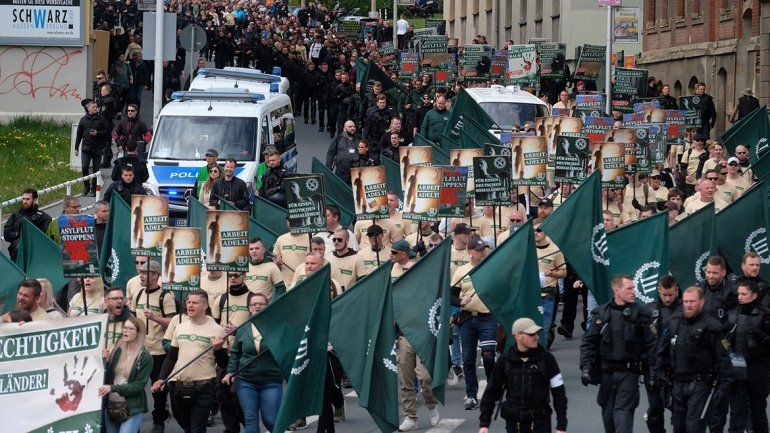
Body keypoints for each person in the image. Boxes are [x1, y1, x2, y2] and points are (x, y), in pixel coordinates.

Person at [579, 275, 657, 433]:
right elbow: (589, 343)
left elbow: (652, 346)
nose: (633, 291)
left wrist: (653, 372)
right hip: (606, 374)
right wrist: (586, 367)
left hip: (629, 373)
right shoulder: (601, 315)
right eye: (629, 288)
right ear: (617, 290)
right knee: (608, 417)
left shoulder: (642, 315)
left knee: (623, 414)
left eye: (633, 287)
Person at [653, 286, 734, 433]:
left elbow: (724, 360)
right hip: (677, 384)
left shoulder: (712, 327)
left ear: (701, 302)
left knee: (694, 427)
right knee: (678, 428)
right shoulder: (674, 323)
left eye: (692, 301)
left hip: (701, 385)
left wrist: (723, 389)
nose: (688, 305)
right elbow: (661, 352)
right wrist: (659, 373)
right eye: (685, 301)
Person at [152, 290, 226, 433]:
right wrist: (161, 379)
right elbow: (171, 358)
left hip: (204, 386)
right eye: (188, 302)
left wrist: (218, 349)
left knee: (197, 428)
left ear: (205, 306)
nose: (189, 306)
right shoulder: (179, 327)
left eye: (194, 303)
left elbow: (224, 364)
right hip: (179, 385)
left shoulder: (217, 330)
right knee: (187, 426)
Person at [478, 318, 568, 433]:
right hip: (514, 423)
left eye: (537, 333)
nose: (536, 337)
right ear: (517, 336)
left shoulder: (547, 359)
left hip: (540, 422)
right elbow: (491, 392)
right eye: (531, 334)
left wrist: (561, 425)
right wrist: (484, 424)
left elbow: (559, 392)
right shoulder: (505, 361)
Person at [394, 241, 440, 431]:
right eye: (405, 271)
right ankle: (410, 416)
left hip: (423, 336)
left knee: (425, 377)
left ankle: (432, 406)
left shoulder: (425, 288)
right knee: (405, 379)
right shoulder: (395, 287)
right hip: (404, 336)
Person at [222, 292, 284, 433]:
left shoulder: (277, 327)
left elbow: (285, 351)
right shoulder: (243, 328)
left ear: (267, 306)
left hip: (271, 381)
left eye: (261, 304)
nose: (257, 307)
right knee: (250, 419)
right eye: (254, 304)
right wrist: (230, 372)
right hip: (246, 382)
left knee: (270, 420)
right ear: (249, 308)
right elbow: (236, 354)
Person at [452, 236, 497, 410]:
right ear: (470, 252)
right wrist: (460, 302)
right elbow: (452, 295)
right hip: (467, 319)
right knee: (468, 360)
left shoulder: (491, 268)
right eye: (479, 250)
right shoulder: (460, 271)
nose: (482, 252)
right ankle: (471, 395)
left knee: (488, 357)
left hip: (487, 317)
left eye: (484, 249)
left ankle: (493, 392)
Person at [134, 260, 177, 432]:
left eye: (145, 273)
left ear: (155, 275)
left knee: (157, 389)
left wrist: (155, 318)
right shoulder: (138, 294)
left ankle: (159, 419)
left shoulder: (165, 295)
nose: (141, 275)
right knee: (135, 387)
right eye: (141, 272)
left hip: (158, 350)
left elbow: (173, 321)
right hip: (140, 350)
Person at [725, 280, 770, 433]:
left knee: (758, 412)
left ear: (754, 295)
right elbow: (723, 340)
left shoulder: (765, 315)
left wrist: (761, 335)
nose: (740, 297)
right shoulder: (732, 314)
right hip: (736, 369)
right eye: (739, 293)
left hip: (757, 369)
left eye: (744, 294)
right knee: (737, 412)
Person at [100, 317, 153, 433]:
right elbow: (108, 378)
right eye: (124, 328)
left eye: (130, 328)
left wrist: (113, 388)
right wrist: (106, 361)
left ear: (139, 333)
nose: (125, 331)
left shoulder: (145, 357)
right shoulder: (117, 351)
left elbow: (138, 386)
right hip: (112, 404)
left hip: (132, 406)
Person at [642, 275, 681, 433]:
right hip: (653, 367)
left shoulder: (684, 309)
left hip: (677, 367)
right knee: (656, 408)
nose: (667, 298)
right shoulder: (648, 310)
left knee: (679, 410)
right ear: (658, 290)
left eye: (670, 294)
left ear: (676, 291)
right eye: (664, 294)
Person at [534, 223, 566, 337]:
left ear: (546, 231)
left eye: (538, 230)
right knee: (531, 330)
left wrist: (552, 273)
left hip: (547, 295)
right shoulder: (528, 248)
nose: (535, 232)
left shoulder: (555, 251)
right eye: (533, 230)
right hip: (531, 295)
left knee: (544, 330)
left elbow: (564, 272)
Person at [75, 100, 111, 196]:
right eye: (93, 107)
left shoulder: (102, 119)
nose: (96, 108)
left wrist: (97, 133)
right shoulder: (83, 120)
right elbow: (79, 135)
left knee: (96, 169)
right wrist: (76, 147)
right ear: (88, 108)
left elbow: (107, 132)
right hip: (86, 147)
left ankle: (94, 188)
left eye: (96, 107)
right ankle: (86, 186)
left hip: (98, 148)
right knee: (85, 167)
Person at [3, 188, 52, 260]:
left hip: (35, 257)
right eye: (23, 199)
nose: (25, 202)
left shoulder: (44, 218)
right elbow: (6, 234)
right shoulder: (15, 216)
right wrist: (18, 234)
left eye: (28, 199)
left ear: (34, 200)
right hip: (16, 258)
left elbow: (43, 239)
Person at [104, 286, 133, 353]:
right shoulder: (100, 321)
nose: (120, 301)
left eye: (122, 298)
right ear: (106, 301)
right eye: (115, 298)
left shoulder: (131, 321)